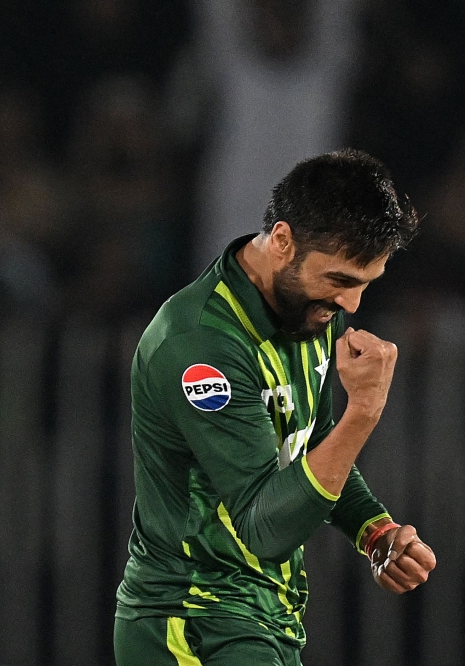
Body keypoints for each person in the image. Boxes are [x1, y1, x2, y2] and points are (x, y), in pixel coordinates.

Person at [114, 149, 437, 665]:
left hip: (260, 622)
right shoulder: (201, 346)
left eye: (365, 284)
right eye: (341, 281)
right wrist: (364, 413)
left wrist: (373, 530)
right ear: (283, 241)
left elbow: (310, 450)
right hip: (192, 624)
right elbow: (265, 526)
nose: (352, 305)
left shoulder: (303, 307)